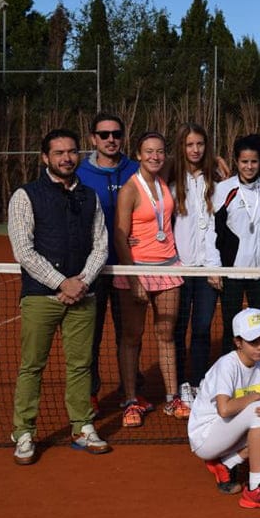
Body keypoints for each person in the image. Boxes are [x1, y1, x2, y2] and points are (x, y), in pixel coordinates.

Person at [8, 128, 112, 465]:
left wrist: (80, 281)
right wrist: (60, 283)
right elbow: (23, 250)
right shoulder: (25, 195)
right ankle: (23, 431)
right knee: (32, 366)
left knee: (81, 366)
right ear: (45, 158)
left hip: (83, 294)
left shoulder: (90, 196)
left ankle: (82, 427)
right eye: (59, 153)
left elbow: (101, 245)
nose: (66, 158)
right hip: (40, 297)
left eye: (71, 152)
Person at [187, 309, 260, 512]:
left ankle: (228, 462)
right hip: (206, 437)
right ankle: (256, 486)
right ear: (238, 342)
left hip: (232, 431)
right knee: (257, 408)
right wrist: (254, 397)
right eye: (253, 341)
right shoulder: (227, 364)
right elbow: (224, 409)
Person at [113, 131, 187, 428]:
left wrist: (219, 165)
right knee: (131, 337)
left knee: (166, 335)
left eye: (159, 151)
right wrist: (133, 279)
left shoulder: (162, 176)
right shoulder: (130, 189)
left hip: (168, 268)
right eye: (148, 152)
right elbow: (119, 234)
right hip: (136, 270)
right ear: (138, 155)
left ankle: (172, 398)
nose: (155, 156)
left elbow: (184, 156)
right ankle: (131, 400)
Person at [77, 112, 139, 412]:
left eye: (116, 133)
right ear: (93, 139)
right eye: (104, 135)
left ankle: (132, 388)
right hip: (94, 271)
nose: (111, 139)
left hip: (129, 268)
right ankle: (90, 392)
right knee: (92, 335)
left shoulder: (138, 170)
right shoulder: (79, 174)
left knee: (129, 333)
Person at [169, 123, 223, 406]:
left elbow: (215, 227)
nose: (195, 149)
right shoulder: (169, 179)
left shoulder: (216, 180)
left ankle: (199, 381)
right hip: (179, 270)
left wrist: (214, 267)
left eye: (200, 144)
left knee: (202, 329)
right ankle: (179, 386)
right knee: (178, 330)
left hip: (207, 270)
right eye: (189, 144)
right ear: (181, 147)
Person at [214, 134, 260, 355]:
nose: (249, 166)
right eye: (244, 161)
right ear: (236, 162)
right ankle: (229, 376)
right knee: (232, 329)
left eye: (254, 161)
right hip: (233, 273)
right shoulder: (224, 189)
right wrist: (216, 268)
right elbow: (214, 232)